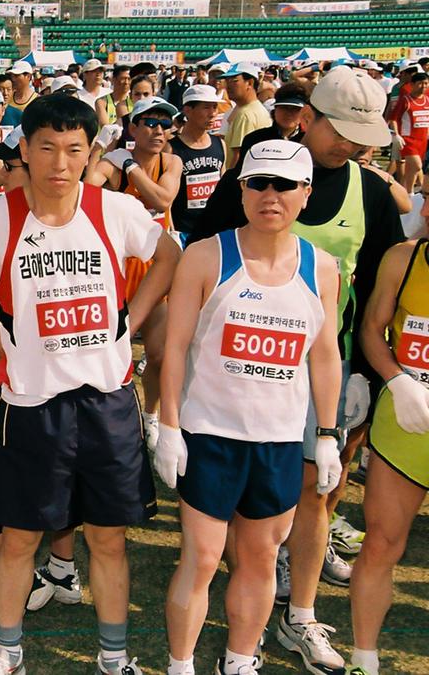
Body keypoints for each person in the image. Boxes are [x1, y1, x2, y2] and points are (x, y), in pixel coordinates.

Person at [0, 93, 180, 675]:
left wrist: (133, 320)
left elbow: (168, 255)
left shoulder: (116, 211)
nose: (59, 163)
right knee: (18, 539)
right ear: (25, 148)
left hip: (107, 402)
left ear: (90, 152)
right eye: (46, 147)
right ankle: (8, 651)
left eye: (74, 149)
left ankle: (115, 656)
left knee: (108, 540)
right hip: (29, 404)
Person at [190, 66, 404, 675]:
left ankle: (301, 613)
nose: (353, 144)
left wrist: (365, 371)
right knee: (244, 513)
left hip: (325, 371)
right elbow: (202, 258)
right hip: (241, 373)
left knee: (319, 499)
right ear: (307, 119)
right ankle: (249, 617)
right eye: (343, 130)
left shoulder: (369, 190)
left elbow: (378, 286)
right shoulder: (255, 175)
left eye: (363, 134)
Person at [155, 140, 342, 675]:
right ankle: (181, 664)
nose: (271, 196)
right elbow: (174, 349)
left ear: (305, 194)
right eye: (258, 183)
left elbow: (324, 356)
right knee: (203, 559)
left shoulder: (321, 267)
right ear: (241, 190)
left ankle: (239, 660)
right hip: (210, 433)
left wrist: (327, 434)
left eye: (285, 185)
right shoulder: (206, 255)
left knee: (261, 557)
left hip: (279, 440)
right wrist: (168, 424)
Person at [350, 202, 429, 675]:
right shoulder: (404, 258)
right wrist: (397, 381)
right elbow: (372, 331)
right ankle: (365, 660)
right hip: (406, 422)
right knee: (381, 543)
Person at [87, 96, 182, 450]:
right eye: (149, 123)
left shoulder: (171, 162)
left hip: (159, 266)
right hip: (118, 269)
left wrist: (130, 167)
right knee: (109, 351)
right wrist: (103, 151)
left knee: (157, 354)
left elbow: (163, 200)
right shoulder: (114, 162)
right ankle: (105, 417)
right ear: (133, 128)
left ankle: (152, 414)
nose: (158, 130)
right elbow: (87, 188)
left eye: (164, 123)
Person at [169, 85, 226, 245]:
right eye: (206, 107)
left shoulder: (220, 144)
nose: (213, 113)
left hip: (212, 231)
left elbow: (222, 190)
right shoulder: (171, 148)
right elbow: (167, 198)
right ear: (188, 110)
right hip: (183, 232)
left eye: (215, 107)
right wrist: (172, 232)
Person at [386, 68, 429, 193]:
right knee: (417, 166)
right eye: (420, 83)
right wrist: (396, 135)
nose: (423, 86)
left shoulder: (427, 100)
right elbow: (394, 118)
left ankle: (408, 192)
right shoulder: (405, 100)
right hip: (408, 140)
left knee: (412, 169)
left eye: (426, 83)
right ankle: (408, 191)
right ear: (412, 84)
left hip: (422, 140)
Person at [221, 64, 272, 168]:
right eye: (227, 81)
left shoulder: (245, 114)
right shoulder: (257, 108)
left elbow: (238, 155)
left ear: (250, 83)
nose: (228, 85)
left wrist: (228, 181)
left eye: (234, 81)